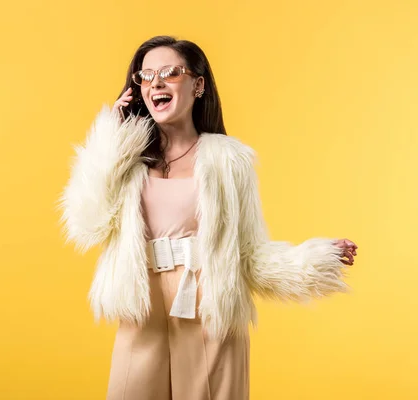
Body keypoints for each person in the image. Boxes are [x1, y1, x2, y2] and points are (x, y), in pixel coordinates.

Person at [59, 35, 358, 400]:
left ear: (197, 85)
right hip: (143, 305)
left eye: (169, 72)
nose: (156, 83)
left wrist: (316, 258)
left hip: (208, 304)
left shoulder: (229, 160)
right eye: (146, 75)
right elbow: (87, 223)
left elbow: (250, 251)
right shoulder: (125, 161)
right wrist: (111, 137)